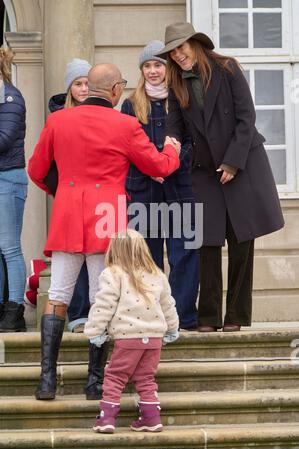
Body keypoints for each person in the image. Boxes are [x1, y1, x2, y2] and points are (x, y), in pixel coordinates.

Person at [28, 63, 180, 401]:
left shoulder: (58, 120)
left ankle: (46, 381)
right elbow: (157, 166)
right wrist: (172, 149)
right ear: (114, 90)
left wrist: (65, 193)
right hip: (107, 215)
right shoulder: (125, 124)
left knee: (58, 295)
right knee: (103, 297)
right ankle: (94, 382)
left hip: (68, 211)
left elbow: (36, 170)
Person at [157, 22, 284, 332]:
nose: (177, 55)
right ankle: (209, 317)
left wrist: (232, 163)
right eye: (172, 51)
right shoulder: (176, 83)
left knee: (242, 242)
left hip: (241, 163)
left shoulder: (227, 68)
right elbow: (175, 126)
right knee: (207, 244)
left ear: (195, 44)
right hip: (204, 170)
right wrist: (169, 147)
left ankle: (236, 317)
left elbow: (246, 118)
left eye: (180, 48)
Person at [121, 40, 199, 331]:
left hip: (182, 189)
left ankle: (184, 319)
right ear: (142, 70)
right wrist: (150, 167)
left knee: (185, 254)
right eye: (148, 65)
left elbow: (193, 141)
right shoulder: (130, 104)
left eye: (158, 65)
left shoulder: (183, 99)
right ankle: (151, 318)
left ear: (168, 69)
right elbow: (125, 146)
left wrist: (171, 164)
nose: (153, 71)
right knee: (146, 257)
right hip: (143, 191)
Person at [84, 229, 179, 434]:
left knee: (115, 376)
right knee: (146, 378)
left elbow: (103, 305)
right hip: (154, 339)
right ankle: (151, 418)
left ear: (114, 250)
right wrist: (172, 328)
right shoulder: (157, 274)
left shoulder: (112, 274)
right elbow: (168, 304)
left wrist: (94, 331)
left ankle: (107, 418)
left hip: (128, 338)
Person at [46, 58, 92, 333]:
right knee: (72, 257)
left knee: (96, 259)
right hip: (70, 197)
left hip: (99, 199)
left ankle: (98, 317)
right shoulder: (58, 118)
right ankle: (77, 313)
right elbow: (45, 162)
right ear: (70, 89)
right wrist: (59, 188)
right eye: (78, 84)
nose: (84, 89)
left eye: (87, 83)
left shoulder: (105, 113)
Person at [0, 47, 27, 332]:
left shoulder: (10, 97)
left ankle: (15, 309)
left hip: (8, 179)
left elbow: (4, 138)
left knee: (10, 248)